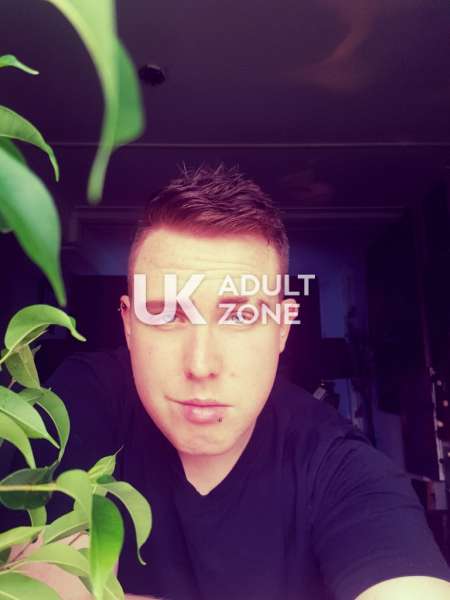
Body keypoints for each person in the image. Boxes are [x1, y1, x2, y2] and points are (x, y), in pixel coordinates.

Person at [10, 165, 450, 599]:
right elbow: (47, 589)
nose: (201, 365)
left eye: (240, 315)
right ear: (129, 324)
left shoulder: (338, 464)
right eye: (167, 314)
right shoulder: (86, 395)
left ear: (282, 329)